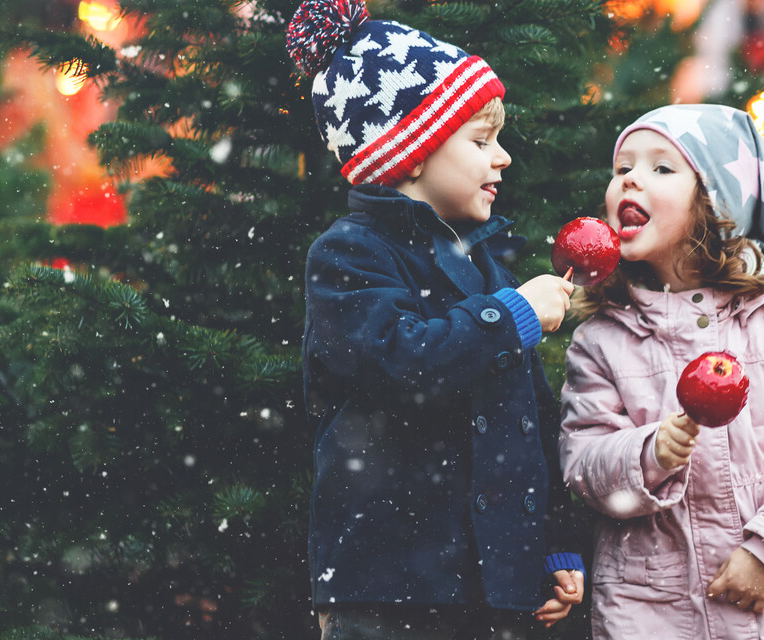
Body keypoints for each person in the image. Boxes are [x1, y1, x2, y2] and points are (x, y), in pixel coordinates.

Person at [286, 1, 584, 637]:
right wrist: (512, 316)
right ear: (410, 154)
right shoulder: (349, 253)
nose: (501, 158)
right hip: (389, 584)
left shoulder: (482, 268)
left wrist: (554, 548)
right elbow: (403, 363)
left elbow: (530, 419)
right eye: (480, 141)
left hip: (492, 588)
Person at [559, 104, 764, 639]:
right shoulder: (603, 339)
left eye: (662, 169)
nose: (630, 180)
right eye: (623, 169)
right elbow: (583, 461)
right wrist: (649, 454)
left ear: (716, 200)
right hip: (661, 609)